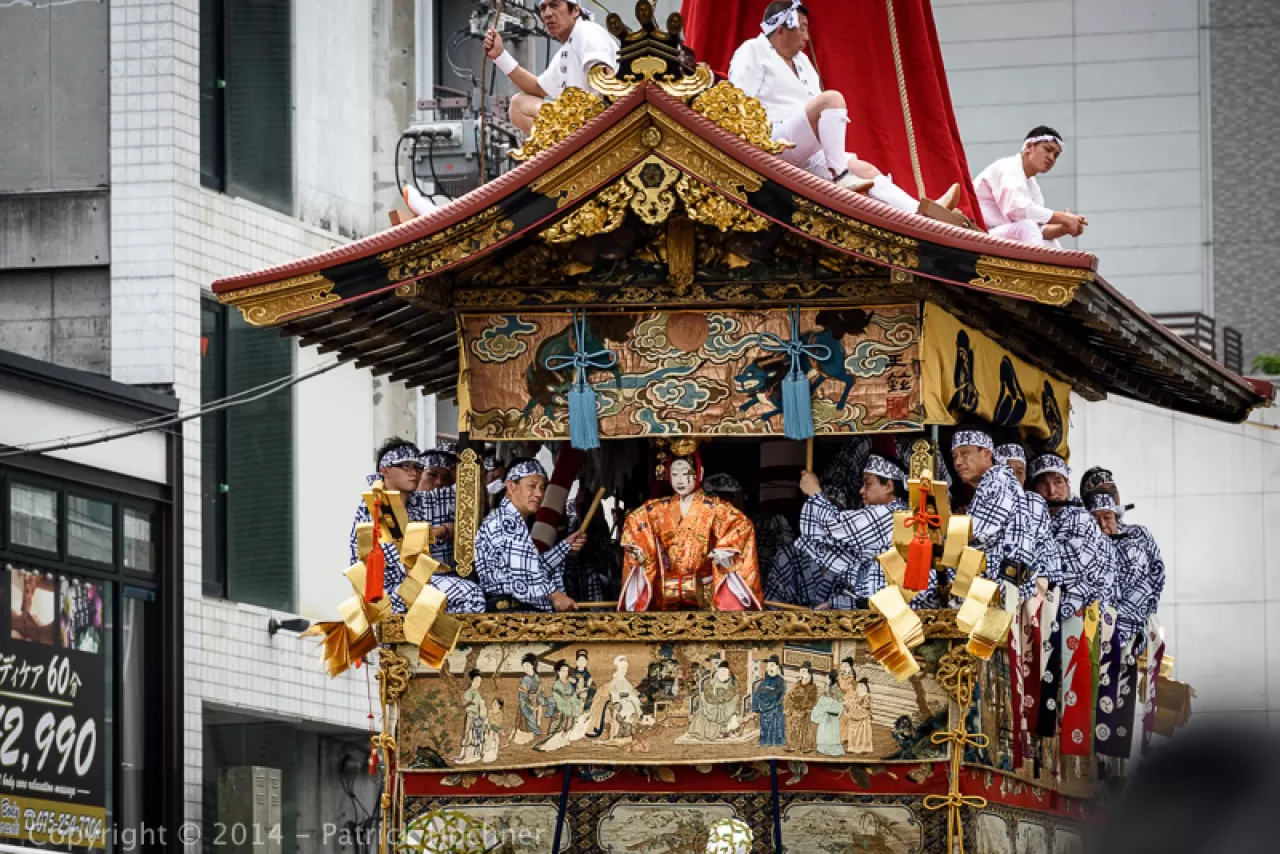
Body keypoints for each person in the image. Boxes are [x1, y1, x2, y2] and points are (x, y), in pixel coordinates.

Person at [727, 0, 960, 213]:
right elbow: (737, 101)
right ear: (780, 29)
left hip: (807, 148)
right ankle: (840, 175)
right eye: (802, 28)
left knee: (866, 171)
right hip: (772, 140)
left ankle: (923, 211)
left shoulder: (802, 61)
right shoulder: (752, 50)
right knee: (832, 99)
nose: (806, 36)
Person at [350, 439, 485, 613]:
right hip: (386, 593)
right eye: (406, 466)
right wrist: (426, 537)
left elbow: (465, 494)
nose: (414, 473)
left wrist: (441, 531)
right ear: (385, 470)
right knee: (471, 594)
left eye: (418, 467)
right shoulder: (374, 508)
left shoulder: (419, 500)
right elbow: (399, 567)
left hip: (416, 582)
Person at [619, 450, 763, 611]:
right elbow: (635, 520)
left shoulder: (714, 508)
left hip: (705, 592)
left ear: (700, 473)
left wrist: (725, 548)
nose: (680, 480)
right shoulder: (658, 509)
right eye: (675, 474)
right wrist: (640, 547)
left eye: (686, 473)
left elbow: (742, 525)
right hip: (668, 593)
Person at [796, 454, 934, 608]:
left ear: (889, 486)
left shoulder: (889, 514)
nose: (861, 490)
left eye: (867, 483)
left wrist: (814, 492)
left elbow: (835, 526)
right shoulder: (898, 512)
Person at [484, 0, 619, 134]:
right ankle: (563, 145)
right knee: (518, 106)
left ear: (575, 11)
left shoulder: (587, 31)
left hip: (602, 122)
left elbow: (606, 78)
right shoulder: (565, 50)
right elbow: (537, 88)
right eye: (543, 8)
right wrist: (500, 56)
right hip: (578, 125)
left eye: (554, 5)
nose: (547, 14)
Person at [473, 458, 584, 611]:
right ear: (511, 487)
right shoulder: (505, 521)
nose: (539, 494)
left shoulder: (511, 520)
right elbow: (523, 573)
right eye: (532, 486)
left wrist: (565, 547)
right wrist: (554, 595)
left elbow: (534, 567)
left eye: (542, 488)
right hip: (509, 613)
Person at [1080, 466, 1166, 648]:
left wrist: (1140, 613)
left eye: (1113, 490)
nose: (1110, 496)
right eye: (1101, 492)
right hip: (1092, 628)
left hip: (1135, 626)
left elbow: (1156, 577)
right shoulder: (1081, 541)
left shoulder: (1138, 534)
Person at [951, 428, 1035, 600]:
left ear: (987, 454)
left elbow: (978, 532)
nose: (958, 462)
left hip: (999, 588)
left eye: (965, 454)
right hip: (997, 585)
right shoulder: (991, 483)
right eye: (954, 456)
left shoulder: (998, 478)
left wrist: (941, 528)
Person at [973, 126, 1087, 248]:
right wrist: (1062, 217)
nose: (1051, 158)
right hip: (977, 234)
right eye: (1048, 150)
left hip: (999, 235)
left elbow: (1038, 230)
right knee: (1027, 227)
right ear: (1028, 146)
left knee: (1052, 243)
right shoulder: (1008, 167)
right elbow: (1016, 209)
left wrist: (1063, 228)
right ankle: (1040, 262)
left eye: (1056, 155)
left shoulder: (1033, 186)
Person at [413, 447, 458, 569]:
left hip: (449, 572)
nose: (439, 482)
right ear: (418, 475)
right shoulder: (404, 501)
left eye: (445, 478)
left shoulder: (453, 500)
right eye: (432, 475)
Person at [686, 660, 742, 741]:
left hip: (727, 704)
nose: (722, 673)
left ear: (728, 672)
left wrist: (720, 698)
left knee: (725, 708)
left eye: (724, 671)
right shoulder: (713, 680)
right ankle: (700, 732)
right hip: (713, 702)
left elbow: (732, 695)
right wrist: (712, 698)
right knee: (703, 707)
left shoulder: (733, 682)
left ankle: (721, 732)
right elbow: (707, 692)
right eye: (720, 671)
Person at [752, 656, 787, 747]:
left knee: (775, 715)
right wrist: (757, 707)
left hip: (775, 707)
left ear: (777, 667)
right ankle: (763, 740)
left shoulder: (780, 681)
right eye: (768, 666)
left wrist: (768, 695)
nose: (769, 668)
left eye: (772, 666)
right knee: (764, 721)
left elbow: (780, 695)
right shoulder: (764, 682)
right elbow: (757, 694)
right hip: (764, 707)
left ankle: (775, 741)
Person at [784, 662, 819, 753]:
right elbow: (789, 696)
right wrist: (792, 705)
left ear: (809, 674)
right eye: (801, 672)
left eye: (804, 672)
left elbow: (812, 700)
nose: (802, 674)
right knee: (790, 720)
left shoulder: (813, 687)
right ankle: (792, 745)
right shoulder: (796, 684)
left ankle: (805, 746)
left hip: (806, 710)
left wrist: (802, 705)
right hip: (795, 708)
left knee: (804, 721)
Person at [455, 669, 488, 764]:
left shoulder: (477, 692)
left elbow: (479, 704)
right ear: (472, 680)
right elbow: (465, 705)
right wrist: (472, 704)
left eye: (480, 681)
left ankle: (474, 755)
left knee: (475, 735)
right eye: (476, 680)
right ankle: (466, 755)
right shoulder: (468, 692)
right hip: (471, 716)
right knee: (469, 735)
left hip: (477, 717)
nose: (478, 683)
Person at [512, 652, 545, 746]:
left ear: (532, 665)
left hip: (535, 703)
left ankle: (533, 734)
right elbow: (522, 696)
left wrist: (539, 702)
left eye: (527, 665)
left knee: (536, 719)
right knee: (527, 723)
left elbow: (540, 691)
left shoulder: (537, 677)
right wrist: (528, 704)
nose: (525, 668)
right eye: (524, 666)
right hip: (526, 704)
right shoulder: (525, 680)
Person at [810, 669, 845, 756]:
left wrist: (828, 704)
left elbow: (840, 704)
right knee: (822, 731)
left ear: (830, 678)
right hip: (825, 714)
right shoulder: (826, 687)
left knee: (831, 733)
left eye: (826, 677)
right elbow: (822, 699)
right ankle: (821, 748)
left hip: (832, 715)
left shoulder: (836, 689)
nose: (825, 679)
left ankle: (833, 750)